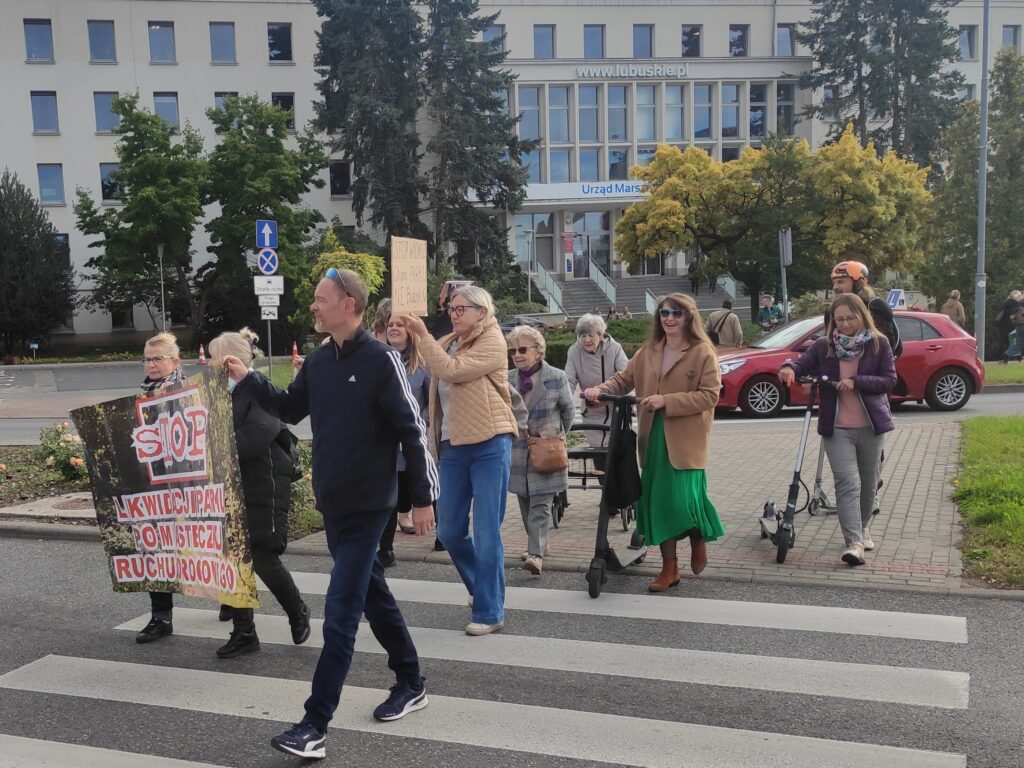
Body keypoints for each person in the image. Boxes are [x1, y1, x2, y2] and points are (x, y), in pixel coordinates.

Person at [223, 267, 439, 760]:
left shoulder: (383, 360)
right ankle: (411, 680)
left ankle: (314, 723)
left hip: (370, 506)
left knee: (340, 613)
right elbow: (288, 408)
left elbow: (414, 430)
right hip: (334, 504)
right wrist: (249, 379)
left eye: (321, 300)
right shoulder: (320, 362)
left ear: (350, 305)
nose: (314, 307)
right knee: (373, 596)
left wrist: (424, 497)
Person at [584, 293, 723, 593]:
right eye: (664, 313)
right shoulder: (648, 351)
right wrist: (598, 391)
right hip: (651, 435)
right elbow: (622, 381)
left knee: (683, 501)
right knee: (658, 504)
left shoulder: (702, 352)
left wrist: (667, 400)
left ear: (689, 317)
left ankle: (698, 534)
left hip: (685, 439)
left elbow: (710, 395)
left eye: (676, 313)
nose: (669, 318)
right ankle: (669, 567)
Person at [402, 285, 518, 637]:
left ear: (482, 312)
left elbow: (451, 371)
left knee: (486, 531)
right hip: (453, 446)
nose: (454, 314)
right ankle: (482, 587)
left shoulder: (494, 340)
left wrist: (422, 335)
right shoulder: (450, 339)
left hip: (489, 443)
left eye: (461, 308)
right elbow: (426, 367)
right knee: (449, 531)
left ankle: (489, 610)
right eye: (451, 308)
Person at [208, 328, 310, 658]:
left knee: (263, 555)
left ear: (231, 361)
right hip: (234, 484)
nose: (210, 365)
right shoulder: (222, 393)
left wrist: (213, 448)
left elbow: (259, 433)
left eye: (214, 358)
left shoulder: (257, 391)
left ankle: (297, 610)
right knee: (234, 557)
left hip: (264, 483)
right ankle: (244, 632)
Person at [779, 293, 896, 566]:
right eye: (839, 319)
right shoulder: (825, 346)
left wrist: (857, 381)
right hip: (837, 428)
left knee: (868, 486)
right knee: (848, 484)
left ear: (861, 316)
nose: (844, 324)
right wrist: (788, 367)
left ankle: (863, 527)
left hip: (871, 426)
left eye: (850, 318)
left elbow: (889, 381)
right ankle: (854, 543)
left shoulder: (879, 344)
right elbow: (801, 362)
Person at [506, 326, 574, 576]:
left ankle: (535, 554)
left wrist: (555, 437)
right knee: (524, 500)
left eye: (523, 349)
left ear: (538, 351)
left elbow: (568, 413)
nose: (517, 355)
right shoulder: (508, 378)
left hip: (546, 450)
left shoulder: (556, 377)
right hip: (518, 450)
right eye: (513, 350)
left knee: (541, 504)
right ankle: (539, 544)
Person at [133, 332, 187, 644]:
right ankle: (160, 617)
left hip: (185, 485)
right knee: (156, 548)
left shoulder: (185, 390)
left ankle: (234, 607)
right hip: (155, 486)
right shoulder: (145, 392)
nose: (151, 364)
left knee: (203, 550)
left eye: (158, 359)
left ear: (175, 361)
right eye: (147, 358)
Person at [380, 313, 432, 565]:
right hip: (383, 440)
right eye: (390, 324)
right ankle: (386, 548)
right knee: (389, 491)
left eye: (400, 324)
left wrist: (423, 424)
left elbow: (431, 400)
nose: (394, 328)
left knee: (416, 483)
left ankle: (440, 536)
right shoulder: (377, 359)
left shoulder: (421, 364)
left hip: (412, 437)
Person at [564, 313, 628, 454]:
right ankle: (602, 477)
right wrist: (563, 400)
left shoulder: (614, 348)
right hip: (591, 408)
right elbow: (569, 380)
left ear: (601, 335)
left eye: (591, 335)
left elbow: (626, 375)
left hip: (614, 408)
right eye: (583, 336)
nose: (586, 340)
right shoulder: (574, 351)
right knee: (597, 453)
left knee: (615, 453)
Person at [829, 260, 901, 359]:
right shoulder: (832, 310)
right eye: (834, 282)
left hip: (872, 371)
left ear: (859, 282)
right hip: (840, 369)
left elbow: (887, 347)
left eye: (841, 281)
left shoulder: (875, 306)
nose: (835, 287)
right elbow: (830, 343)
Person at [996, 290, 1024, 362]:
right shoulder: (1018, 303)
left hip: (1014, 325)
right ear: (1017, 296)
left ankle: (1008, 354)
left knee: (1017, 342)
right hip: (1016, 325)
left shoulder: (1007, 303)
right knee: (1016, 342)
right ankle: (1016, 355)